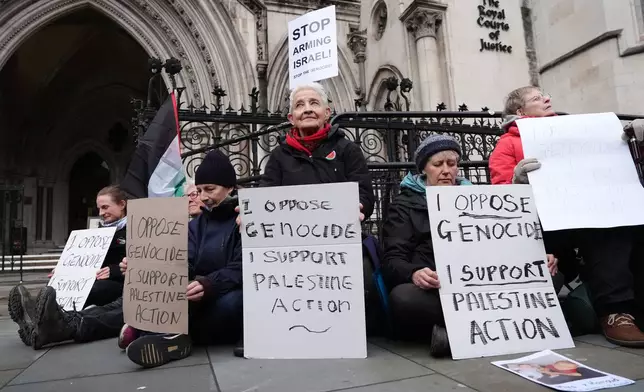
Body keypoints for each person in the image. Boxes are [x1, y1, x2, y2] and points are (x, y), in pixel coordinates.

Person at [489, 86, 644, 347]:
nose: (547, 99)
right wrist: (518, 181)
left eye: (546, 95)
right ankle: (613, 310)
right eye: (537, 98)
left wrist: (634, 143)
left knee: (618, 230)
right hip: (543, 225)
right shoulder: (508, 143)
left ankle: (621, 313)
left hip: (587, 214)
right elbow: (501, 195)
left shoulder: (576, 131)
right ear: (520, 111)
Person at [382, 134, 561, 357]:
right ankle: (493, 328)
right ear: (424, 169)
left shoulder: (479, 199)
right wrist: (415, 273)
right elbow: (393, 259)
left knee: (551, 276)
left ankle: (457, 335)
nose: (446, 170)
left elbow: (507, 242)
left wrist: (535, 257)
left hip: (485, 285)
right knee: (403, 298)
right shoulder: (404, 205)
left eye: (452, 164)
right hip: (439, 290)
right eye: (438, 164)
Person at [236, 82, 379, 338]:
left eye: (314, 103)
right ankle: (272, 334)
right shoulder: (279, 156)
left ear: (327, 111)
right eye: (300, 105)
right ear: (291, 118)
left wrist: (360, 206)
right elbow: (266, 195)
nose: (307, 109)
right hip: (289, 247)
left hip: (338, 244)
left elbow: (365, 193)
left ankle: (344, 333)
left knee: (365, 276)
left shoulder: (347, 150)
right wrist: (250, 215)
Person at [7, 182, 205, 350]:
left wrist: (121, 269)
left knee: (113, 301)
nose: (101, 213)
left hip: (148, 286)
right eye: (188, 195)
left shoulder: (145, 226)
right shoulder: (99, 232)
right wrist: (66, 270)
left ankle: (59, 324)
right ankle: (48, 320)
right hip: (141, 285)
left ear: (122, 205)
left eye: (199, 193)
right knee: (114, 305)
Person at [125, 150, 243, 368]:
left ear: (230, 187)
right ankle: (169, 336)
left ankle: (164, 334)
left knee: (233, 304)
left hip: (225, 292)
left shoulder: (242, 220)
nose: (204, 196)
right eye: (199, 190)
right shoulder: (194, 226)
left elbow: (243, 266)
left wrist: (209, 284)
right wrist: (144, 265)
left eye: (210, 189)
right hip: (195, 296)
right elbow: (182, 260)